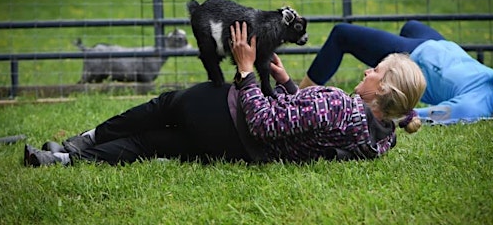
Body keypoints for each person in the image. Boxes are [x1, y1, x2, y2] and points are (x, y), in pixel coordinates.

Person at [23, 21, 426, 167]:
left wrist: (247, 70)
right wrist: (287, 84)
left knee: (162, 106)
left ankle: (82, 142)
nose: (368, 69)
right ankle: (59, 159)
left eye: (377, 70)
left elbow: (265, 122)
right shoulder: (381, 136)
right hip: (239, 151)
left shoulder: (339, 102)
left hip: (234, 122)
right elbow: (312, 124)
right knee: (152, 143)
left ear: (384, 89)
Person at [299, 20, 493, 125]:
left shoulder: (474, 106)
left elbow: (415, 116)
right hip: (438, 43)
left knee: (342, 34)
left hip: (416, 56)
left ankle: (298, 99)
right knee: (410, 26)